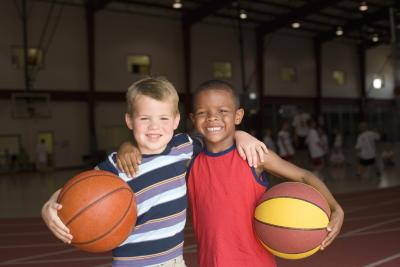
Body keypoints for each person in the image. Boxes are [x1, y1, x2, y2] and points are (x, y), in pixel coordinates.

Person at [41, 77, 267, 267]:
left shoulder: (184, 147)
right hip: (132, 263)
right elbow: (73, 192)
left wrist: (241, 135)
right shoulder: (118, 164)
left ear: (176, 120)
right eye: (144, 119)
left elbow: (216, 135)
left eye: (163, 118)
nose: (154, 127)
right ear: (130, 121)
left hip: (175, 261)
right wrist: (49, 206)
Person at [186, 80, 343, 267]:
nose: (212, 117)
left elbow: (304, 176)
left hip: (255, 262)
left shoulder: (255, 156)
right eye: (203, 112)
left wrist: (336, 208)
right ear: (193, 118)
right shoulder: (189, 161)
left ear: (238, 116)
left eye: (222, 111)